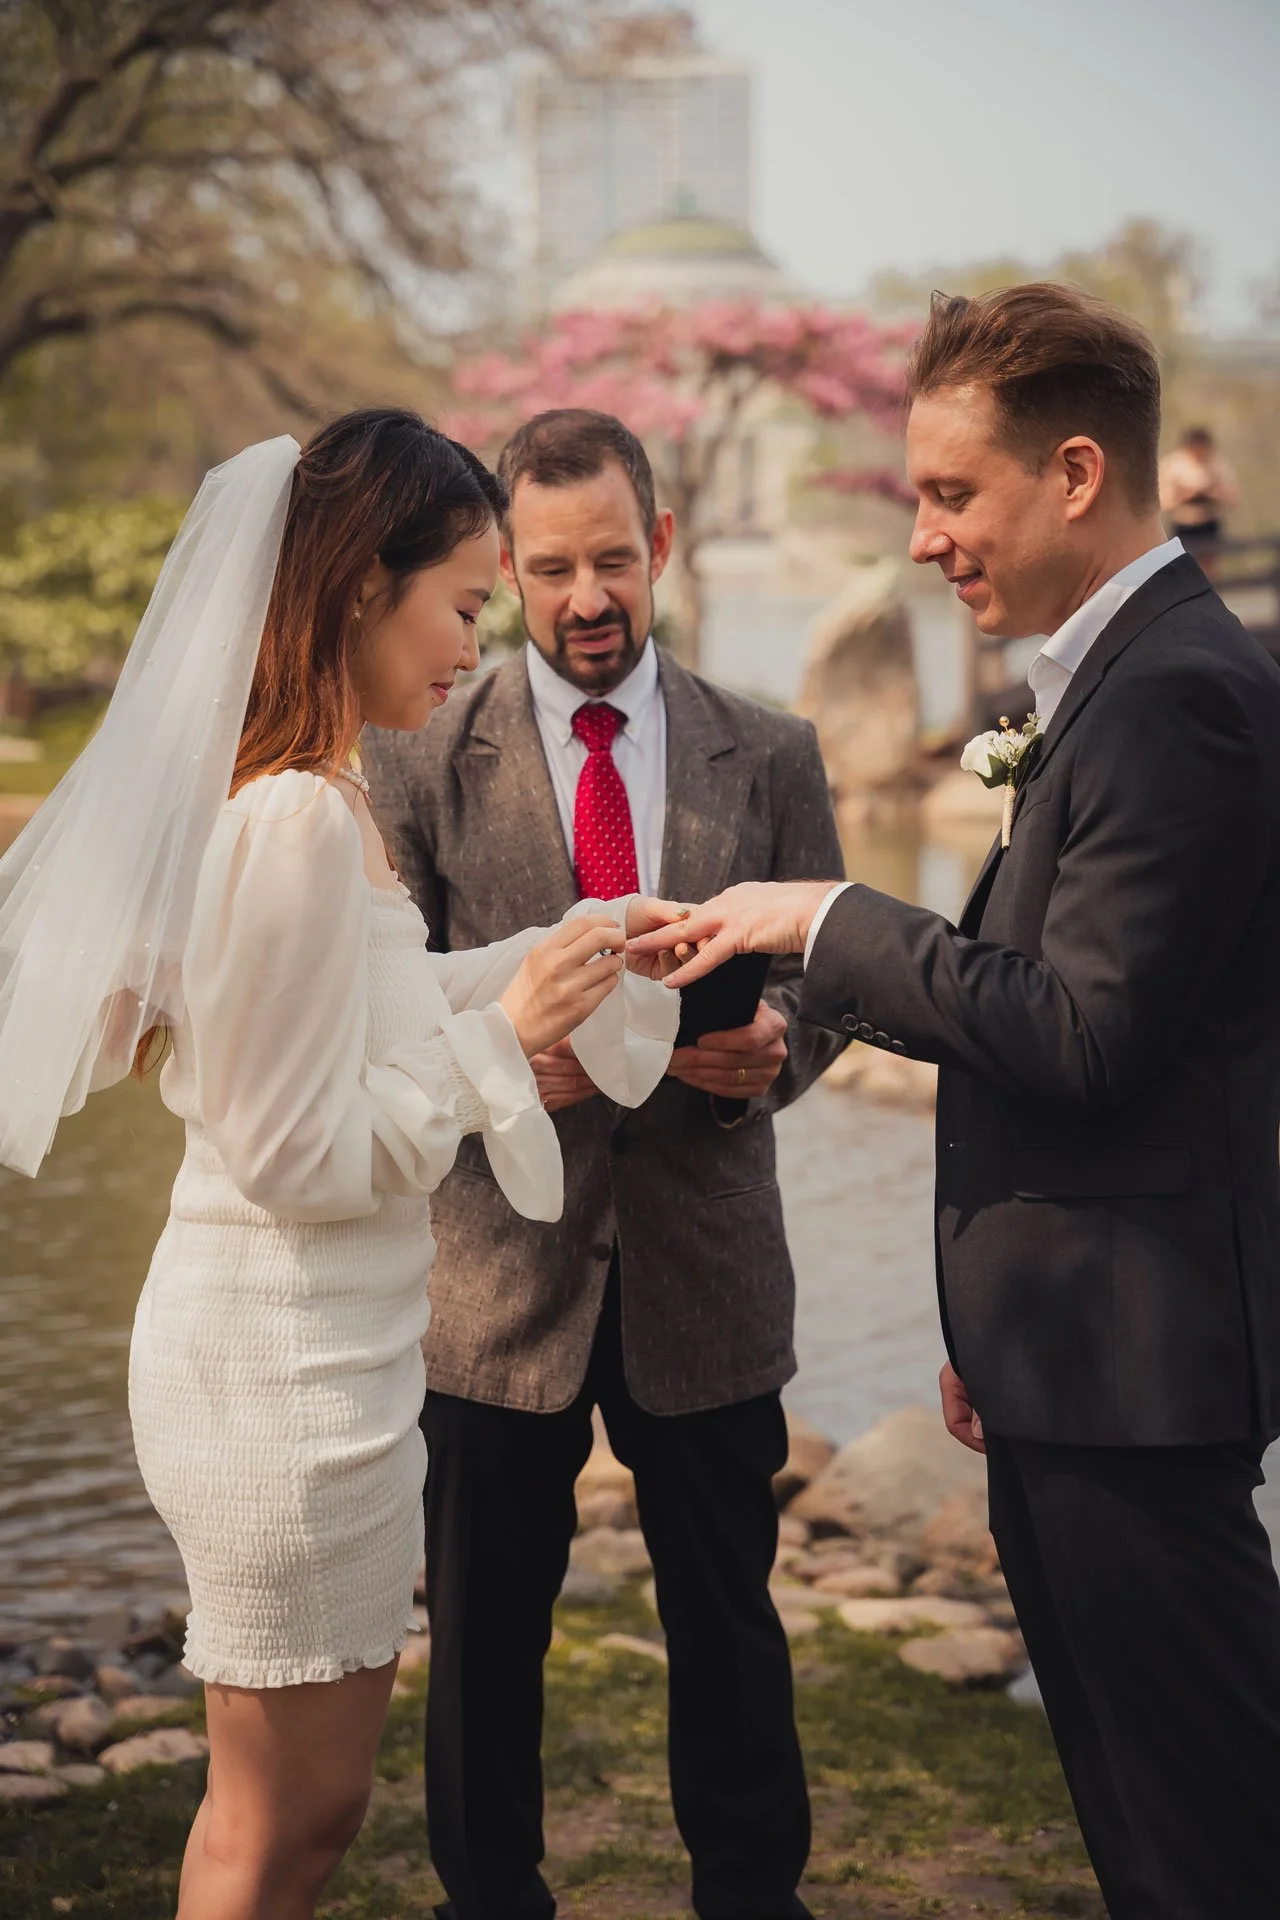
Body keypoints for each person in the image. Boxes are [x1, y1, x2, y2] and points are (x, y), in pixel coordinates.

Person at [631, 286, 1280, 1920]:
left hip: (1141, 1393)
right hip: (1073, 1366)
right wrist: (994, 1325)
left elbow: (1084, 1036)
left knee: (1206, 1842)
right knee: (1147, 1842)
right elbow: (1050, 1039)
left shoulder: (1180, 691)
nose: (921, 540)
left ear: (1075, 473)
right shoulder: (1113, 678)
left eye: (948, 493)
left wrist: (828, 919)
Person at [0, 409, 682, 1919]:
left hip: (334, 1360)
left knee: (309, 1809)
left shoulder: (327, 794)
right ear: (358, 590)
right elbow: (298, 1151)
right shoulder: (296, 820)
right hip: (276, 1377)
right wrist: (512, 1020)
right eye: (460, 606)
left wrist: (559, 949)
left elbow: (369, 1009)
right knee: (280, 1821)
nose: (471, 647)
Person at [363, 408, 845, 1920]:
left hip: (706, 1267)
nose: (588, 597)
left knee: (730, 1625)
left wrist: (776, 1050)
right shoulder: (420, 755)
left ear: (665, 550)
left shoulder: (772, 748)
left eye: (615, 562)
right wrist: (509, 1054)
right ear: (506, 565)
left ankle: (753, 1900)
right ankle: (485, 1900)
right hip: (494, 1286)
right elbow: (389, 1008)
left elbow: (833, 981)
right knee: (488, 1645)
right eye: (554, 566)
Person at [1159, 424, 1239, 562]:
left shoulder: (1217, 465)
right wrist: (1185, 495)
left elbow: (1233, 498)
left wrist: (1212, 492)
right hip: (1183, 526)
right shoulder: (1174, 465)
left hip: (1209, 524)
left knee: (1208, 569)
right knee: (1183, 568)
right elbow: (1163, 501)